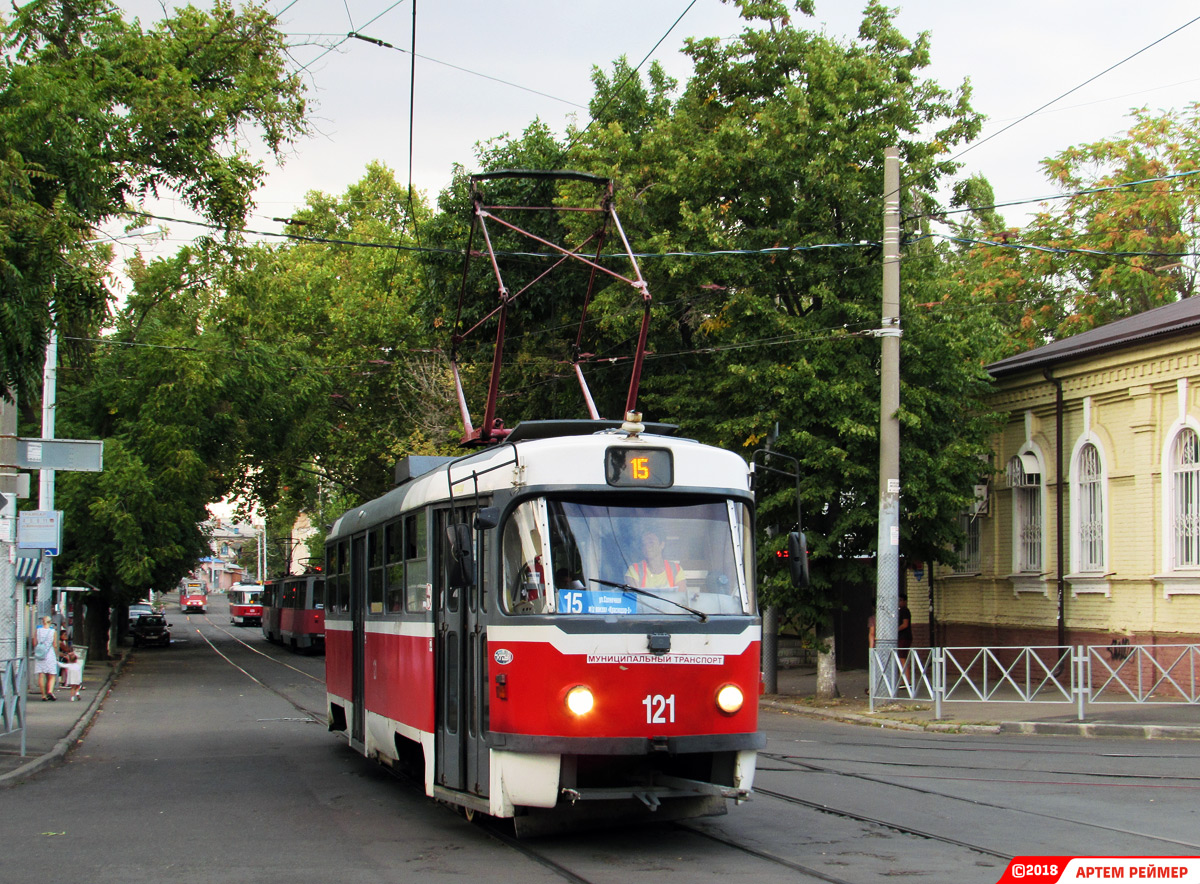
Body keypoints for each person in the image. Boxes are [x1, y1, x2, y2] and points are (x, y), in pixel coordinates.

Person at [33, 615, 59, 701]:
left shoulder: (38, 630)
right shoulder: (53, 632)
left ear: (42, 622)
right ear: (50, 622)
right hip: (49, 653)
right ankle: (50, 691)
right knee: (52, 674)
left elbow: (34, 643)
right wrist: (57, 654)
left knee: (41, 674)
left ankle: (43, 695)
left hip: (40, 654)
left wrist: (38, 649)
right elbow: (54, 645)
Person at [897, 592, 913, 667]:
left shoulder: (905, 610)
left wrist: (895, 630)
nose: (899, 602)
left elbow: (905, 624)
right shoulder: (899, 611)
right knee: (901, 658)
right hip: (901, 637)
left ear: (905, 601)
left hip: (904, 637)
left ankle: (906, 678)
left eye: (900, 600)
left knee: (902, 658)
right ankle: (903, 677)